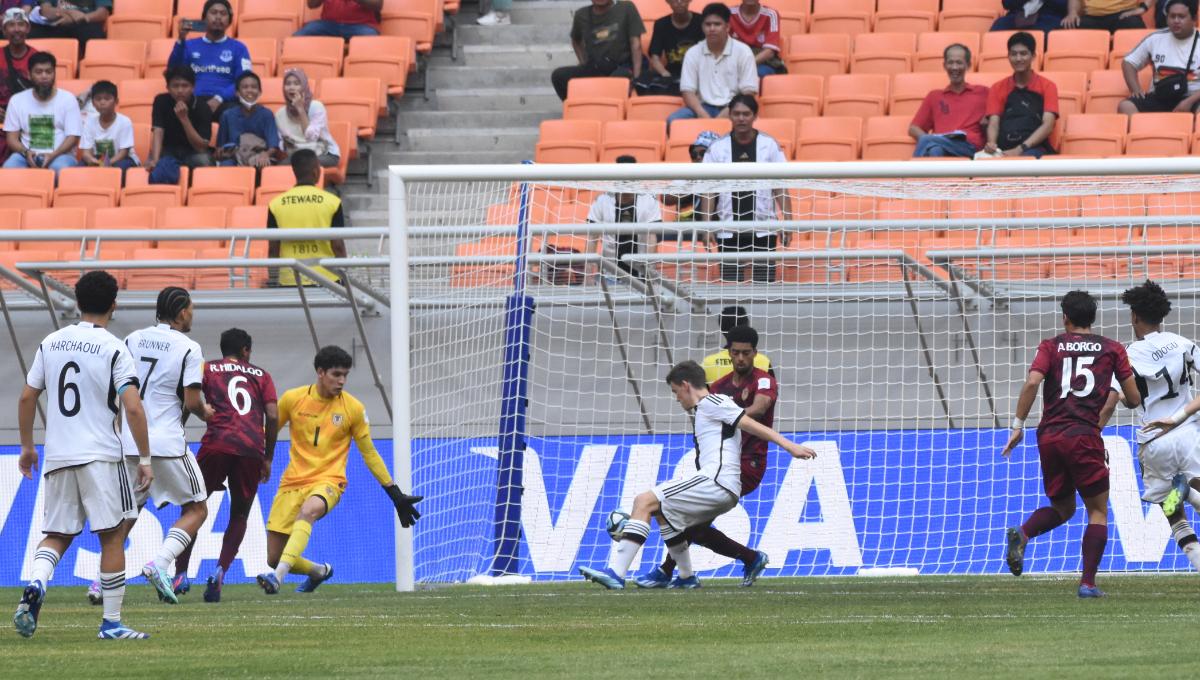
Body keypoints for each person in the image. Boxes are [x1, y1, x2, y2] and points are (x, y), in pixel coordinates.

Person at [579, 359, 814, 589]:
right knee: (664, 514)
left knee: (644, 501)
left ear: (685, 385)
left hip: (716, 481)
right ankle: (685, 576)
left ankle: (616, 573)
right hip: (723, 486)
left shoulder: (713, 401)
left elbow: (750, 424)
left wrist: (789, 446)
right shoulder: (707, 408)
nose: (676, 398)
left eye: (675, 391)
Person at [14, 270, 153, 640]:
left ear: (76, 302)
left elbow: (28, 397)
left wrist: (28, 447)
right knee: (112, 535)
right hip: (101, 456)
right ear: (114, 304)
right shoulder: (114, 347)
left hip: (59, 454)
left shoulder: (52, 342)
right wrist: (144, 458)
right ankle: (111, 623)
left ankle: (37, 584)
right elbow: (134, 408)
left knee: (57, 534)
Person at [999, 290, 1140, 598]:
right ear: (1093, 317)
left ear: (1065, 316)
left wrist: (1017, 426)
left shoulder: (1051, 346)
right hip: (1083, 435)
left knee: (1063, 507)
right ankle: (1088, 583)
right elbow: (1134, 398)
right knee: (1097, 512)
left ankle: (1023, 534)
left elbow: (1033, 382)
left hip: (1049, 436)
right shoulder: (1113, 349)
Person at [255, 345, 423, 594]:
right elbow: (266, 434)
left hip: (329, 481)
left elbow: (369, 452)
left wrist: (394, 493)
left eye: (345, 375)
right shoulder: (293, 399)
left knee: (309, 511)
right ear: (320, 372)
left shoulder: (353, 408)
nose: (342, 381)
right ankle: (319, 571)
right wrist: (260, 460)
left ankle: (277, 577)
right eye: (336, 374)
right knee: (274, 555)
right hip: (292, 482)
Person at [85, 287, 213, 608]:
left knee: (129, 511)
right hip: (167, 442)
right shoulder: (189, 347)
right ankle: (161, 562)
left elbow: (120, 392)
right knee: (197, 508)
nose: (192, 314)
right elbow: (193, 399)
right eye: (191, 308)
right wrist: (208, 413)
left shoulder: (132, 339)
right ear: (182, 311)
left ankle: (102, 581)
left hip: (131, 442)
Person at [636, 325, 777, 588]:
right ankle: (747, 558)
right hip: (718, 465)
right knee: (696, 527)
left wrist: (734, 413)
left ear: (755, 353)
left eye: (746, 353)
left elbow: (759, 408)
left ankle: (669, 572)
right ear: (729, 352)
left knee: (691, 521)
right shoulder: (720, 386)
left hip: (747, 464)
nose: (741, 359)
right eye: (736, 353)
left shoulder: (763, 379)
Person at [172, 328, 279, 603]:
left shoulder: (207, 368)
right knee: (240, 515)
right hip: (251, 448)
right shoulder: (262, 375)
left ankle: (181, 574)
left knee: (192, 506)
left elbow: (190, 400)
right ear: (246, 350)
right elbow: (273, 414)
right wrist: (268, 456)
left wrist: (177, 431)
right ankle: (220, 570)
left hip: (217, 443)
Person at [1112, 282, 1200, 573]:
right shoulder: (1182, 343)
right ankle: (1187, 491)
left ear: (1134, 316)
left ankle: (1197, 558)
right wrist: (1178, 416)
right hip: (1188, 434)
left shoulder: (1127, 354)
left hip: (1154, 441)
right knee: (1189, 494)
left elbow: (1125, 400)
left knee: (1173, 511)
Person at [700, 94, 790, 283]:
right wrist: (706, 226)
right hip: (728, 227)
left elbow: (780, 187)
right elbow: (708, 190)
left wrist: (788, 221)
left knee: (763, 285)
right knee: (730, 287)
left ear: (755, 116)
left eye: (746, 114)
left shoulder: (769, 145)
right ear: (730, 116)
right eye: (736, 114)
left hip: (764, 227)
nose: (741, 118)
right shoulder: (717, 148)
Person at [667, 3, 758, 125]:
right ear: (702, 27)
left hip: (735, 107)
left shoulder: (743, 52)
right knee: (673, 121)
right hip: (703, 107)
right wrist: (703, 115)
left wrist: (724, 115)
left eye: (717, 24)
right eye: (708, 24)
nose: (712, 29)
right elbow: (687, 91)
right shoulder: (693, 53)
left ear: (727, 27)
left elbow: (748, 92)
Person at [267, 149, 346, 287]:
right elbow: (338, 246)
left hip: (290, 280)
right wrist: (345, 277)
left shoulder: (276, 204)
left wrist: (273, 280)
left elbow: (273, 249)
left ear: (294, 172)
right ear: (316, 171)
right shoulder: (332, 202)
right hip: (327, 279)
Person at [167, 0, 252, 114]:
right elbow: (173, 71)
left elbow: (244, 81)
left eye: (223, 13)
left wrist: (219, 98)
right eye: (213, 12)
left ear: (229, 21)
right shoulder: (188, 45)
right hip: (194, 100)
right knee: (164, 103)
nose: (218, 17)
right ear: (204, 18)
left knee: (235, 112)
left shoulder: (239, 48)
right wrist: (181, 40)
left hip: (225, 102)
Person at [2, 51, 79, 175]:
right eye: (38, 72)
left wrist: (53, 154)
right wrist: (26, 153)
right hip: (26, 155)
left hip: (60, 155)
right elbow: (11, 138)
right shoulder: (16, 100)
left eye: (49, 72)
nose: (44, 76)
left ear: (54, 74)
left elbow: (73, 137)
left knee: (60, 169)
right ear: (29, 74)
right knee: (9, 168)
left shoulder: (68, 99)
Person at [551, 0, 645, 101]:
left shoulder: (626, 8)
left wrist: (637, 78)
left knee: (615, 81)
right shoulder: (581, 15)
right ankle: (579, 109)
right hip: (595, 67)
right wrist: (584, 62)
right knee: (558, 76)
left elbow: (636, 44)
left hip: (621, 66)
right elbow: (576, 41)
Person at [983, 31, 1058, 158]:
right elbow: (994, 123)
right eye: (1014, 54)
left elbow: (1048, 125)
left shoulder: (1048, 86)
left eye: (1023, 54)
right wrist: (992, 144)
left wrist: (1020, 149)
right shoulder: (997, 88)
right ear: (1008, 56)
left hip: (1033, 147)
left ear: (1033, 56)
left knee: (1024, 161)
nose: (1018, 59)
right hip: (1003, 147)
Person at [586, 155, 661, 281]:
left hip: (641, 275)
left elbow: (651, 238)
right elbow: (592, 239)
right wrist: (587, 278)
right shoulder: (602, 200)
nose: (625, 181)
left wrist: (650, 275)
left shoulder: (649, 201)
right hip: (609, 274)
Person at [1118, 0, 1200, 114]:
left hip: (1192, 98)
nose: (1176, 21)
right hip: (1160, 97)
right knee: (1126, 106)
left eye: (1181, 17)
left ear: (1194, 19)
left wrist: (1189, 102)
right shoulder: (1155, 39)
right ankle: (1143, 132)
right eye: (1172, 16)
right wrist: (1136, 90)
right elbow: (1128, 62)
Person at [909, 44, 990, 158]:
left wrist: (928, 140)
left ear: (968, 65)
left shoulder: (983, 92)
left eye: (959, 62)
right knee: (935, 150)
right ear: (944, 65)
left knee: (929, 141)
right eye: (950, 62)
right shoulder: (934, 96)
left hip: (970, 147)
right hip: (942, 144)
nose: (954, 67)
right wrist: (931, 141)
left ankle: (910, 174)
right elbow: (913, 128)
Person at [147, 65, 214, 185]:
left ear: (193, 87)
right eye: (175, 86)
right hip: (168, 151)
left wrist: (184, 119)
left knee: (204, 160)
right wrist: (155, 160)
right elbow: (158, 131)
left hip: (193, 152)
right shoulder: (160, 101)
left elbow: (201, 147)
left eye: (185, 86)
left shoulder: (202, 107)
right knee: (157, 165)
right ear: (168, 87)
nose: (180, 90)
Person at [215, 71, 283, 168]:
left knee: (263, 163)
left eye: (254, 87)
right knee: (226, 165)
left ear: (260, 92)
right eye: (245, 87)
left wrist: (266, 154)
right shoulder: (227, 115)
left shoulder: (267, 114)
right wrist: (223, 153)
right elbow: (219, 148)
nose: (249, 90)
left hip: (258, 157)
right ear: (237, 93)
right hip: (234, 158)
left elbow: (273, 146)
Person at [276, 68, 340, 168]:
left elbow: (311, 137)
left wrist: (300, 109)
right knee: (278, 169)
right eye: (288, 84)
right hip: (298, 155)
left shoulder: (316, 107)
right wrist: (285, 144)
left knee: (304, 164)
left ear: (304, 86)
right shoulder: (280, 113)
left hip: (324, 154)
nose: (291, 87)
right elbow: (280, 142)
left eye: (296, 83)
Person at [639, 0, 703, 96]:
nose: (679, 2)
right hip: (671, 74)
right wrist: (665, 74)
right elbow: (654, 57)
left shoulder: (702, 21)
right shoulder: (661, 24)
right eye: (675, 0)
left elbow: (711, 53)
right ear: (668, 2)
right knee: (643, 80)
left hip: (698, 74)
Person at [0, 8, 38, 161]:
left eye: (21, 24)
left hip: (27, 116)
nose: (16, 29)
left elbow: (46, 93)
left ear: (28, 28)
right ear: (3, 30)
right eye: (11, 25)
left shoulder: (37, 58)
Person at [701, 305, 773, 383]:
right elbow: (773, 392)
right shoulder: (763, 361)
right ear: (747, 326)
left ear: (721, 329)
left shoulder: (708, 363)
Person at [79, 80, 138, 173]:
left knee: (120, 167)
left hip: (122, 159)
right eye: (98, 99)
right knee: (79, 167)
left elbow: (124, 152)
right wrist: (91, 160)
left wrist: (107, 163)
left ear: (116, 101)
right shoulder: (89, 122)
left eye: (107, 99)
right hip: (98, 159)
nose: (102, 102)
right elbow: (86, 152)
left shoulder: (124, 122)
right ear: (93, 103)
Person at [728, 0, 784, 78]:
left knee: (758, 73)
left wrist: (746, 65)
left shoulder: (771, 14)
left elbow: (769, 52)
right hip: (736, 60)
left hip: (762, 62)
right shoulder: (728, 13)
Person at [27, 0, 109, 47]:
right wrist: (71, 13)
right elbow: (46, 11)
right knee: (30, 32)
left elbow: (103, 13)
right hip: (58, 22)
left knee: (93, 33)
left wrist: (83, 17)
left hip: (84, 24)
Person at [294, 0, 381, 38]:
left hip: (360, 26)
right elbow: (311, 4)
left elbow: (378, 5)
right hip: (328, 25)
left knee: (371, 38)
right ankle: (295, 74)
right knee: (299, 36)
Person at [1062, 0, 1147, 30]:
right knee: (1069, 26)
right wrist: (1072, 12)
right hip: (1092, 16)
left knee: (1135, 25)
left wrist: (1144, 7)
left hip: (1123, 14)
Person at [992, 0, 1068, 32]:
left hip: (1048, 17)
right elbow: (1007, 3)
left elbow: (1063, 5)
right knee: (998, 26)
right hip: (1017, 16)